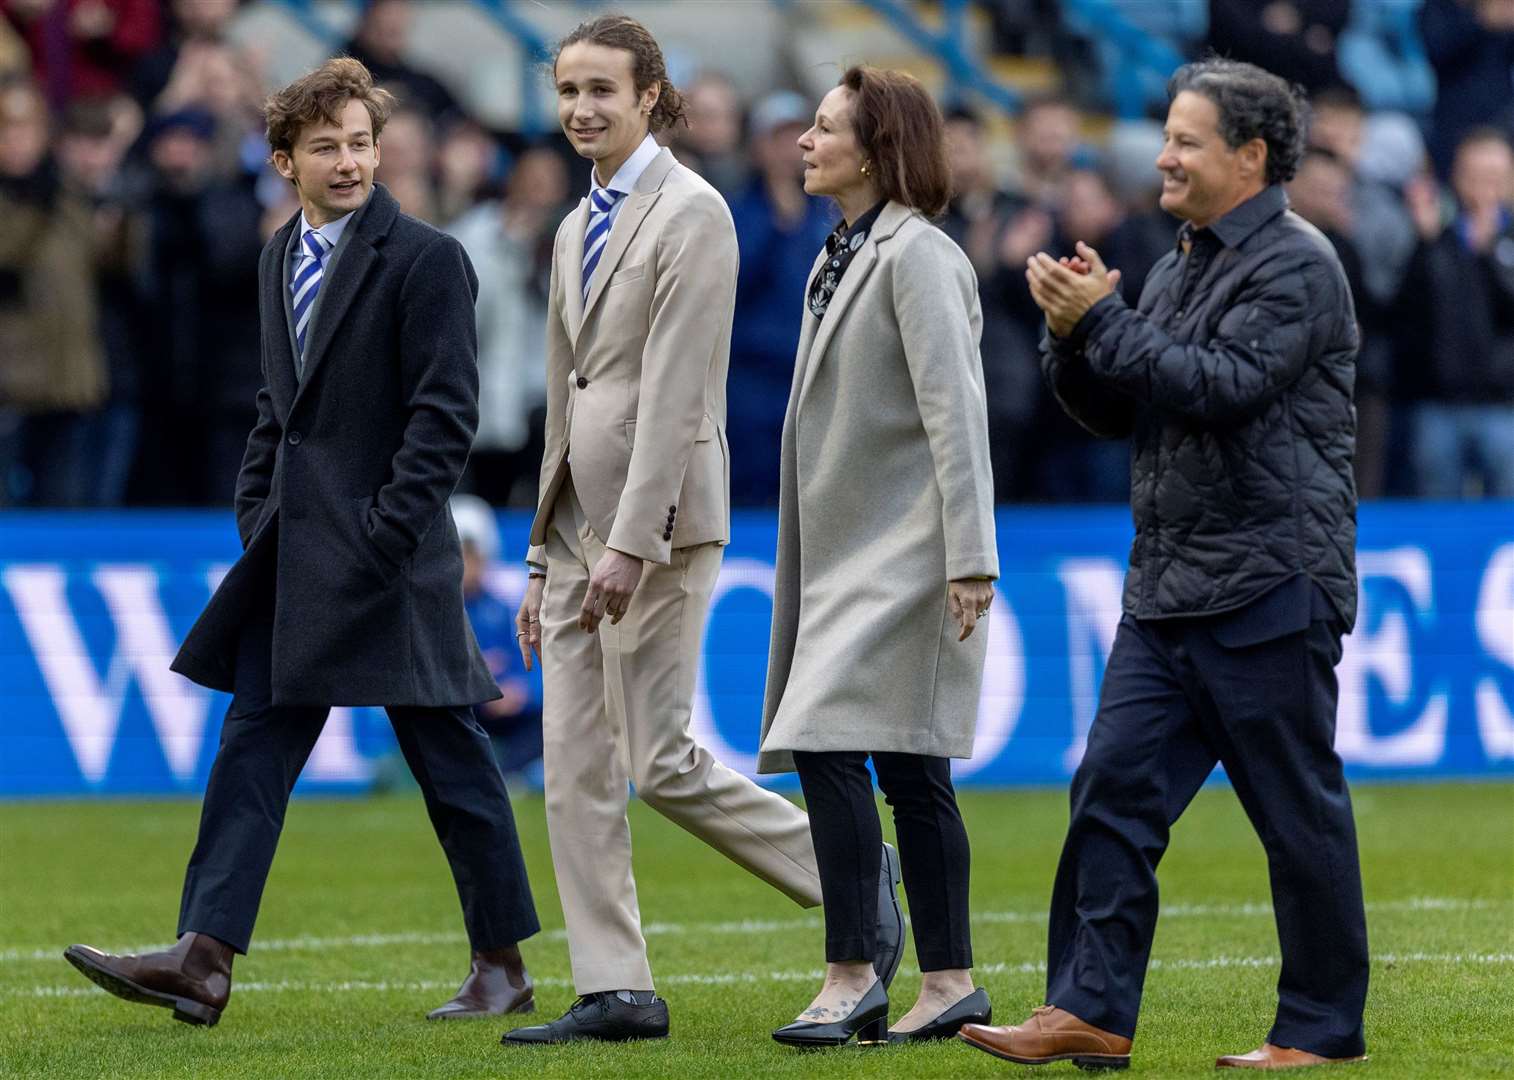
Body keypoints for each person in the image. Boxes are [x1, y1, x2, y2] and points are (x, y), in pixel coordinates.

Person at [62, 57, 540, 1027]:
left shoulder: (427, 259)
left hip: (389, 565)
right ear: (285, 159)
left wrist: (380, 540)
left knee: (452, 764)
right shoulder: (280, 254)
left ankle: (502, 965)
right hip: (293, 554)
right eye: (326, 145)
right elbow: (276, 413)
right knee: (252, 748)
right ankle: (203, 959)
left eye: (361, 142)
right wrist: (258, 511)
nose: (350, 160)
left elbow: (442, 420)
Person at [960, 58, 1367, 1071]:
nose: (1162, 156)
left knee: (1292, 817)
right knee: (1109, 791)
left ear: (1249, 155)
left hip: (1270, 581)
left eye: (1184, 140)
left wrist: (1101, 320)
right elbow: (1125, 406)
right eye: (1167, 137)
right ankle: (1087, 1011)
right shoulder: (1181, 258)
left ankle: (1318, 1029)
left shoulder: (1297, 263)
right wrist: (1068, 340)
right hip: (1170, 586)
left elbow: (1220, 386)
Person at [506, 15, 902, 1045]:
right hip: (576, 527)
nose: (581, 109)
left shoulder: (694, 214)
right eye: (568, 92)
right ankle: (615, 989)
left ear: (650, 98)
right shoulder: (569, 224)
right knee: (574, 764)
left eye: (602, 90)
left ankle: (850, 877)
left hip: (662, 526)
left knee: (659, 759)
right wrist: (543, 550)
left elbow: (683, 394)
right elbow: (565, 397)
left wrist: (631, 542)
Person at [758, 66, 998, 1050]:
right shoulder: (846, 251)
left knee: (825, 742)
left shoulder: (917, 258)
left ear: (874, 149)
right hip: (848, 551)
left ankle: (852, 972)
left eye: (823, 129)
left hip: (905, 551)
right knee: (909, 767)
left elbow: (956, 410)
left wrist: (969, 554)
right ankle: (949, 984)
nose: (803, 143)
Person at [1396, 127, 1514, 499]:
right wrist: (1425, 243)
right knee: (1437, 508)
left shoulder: (1505, 244)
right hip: (1438, 404)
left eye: (1495, 178)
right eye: (1474, 176)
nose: (1484, 189)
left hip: (1503, 405)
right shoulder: (1436, 238)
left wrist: (1491, 252)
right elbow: (1407, 312)